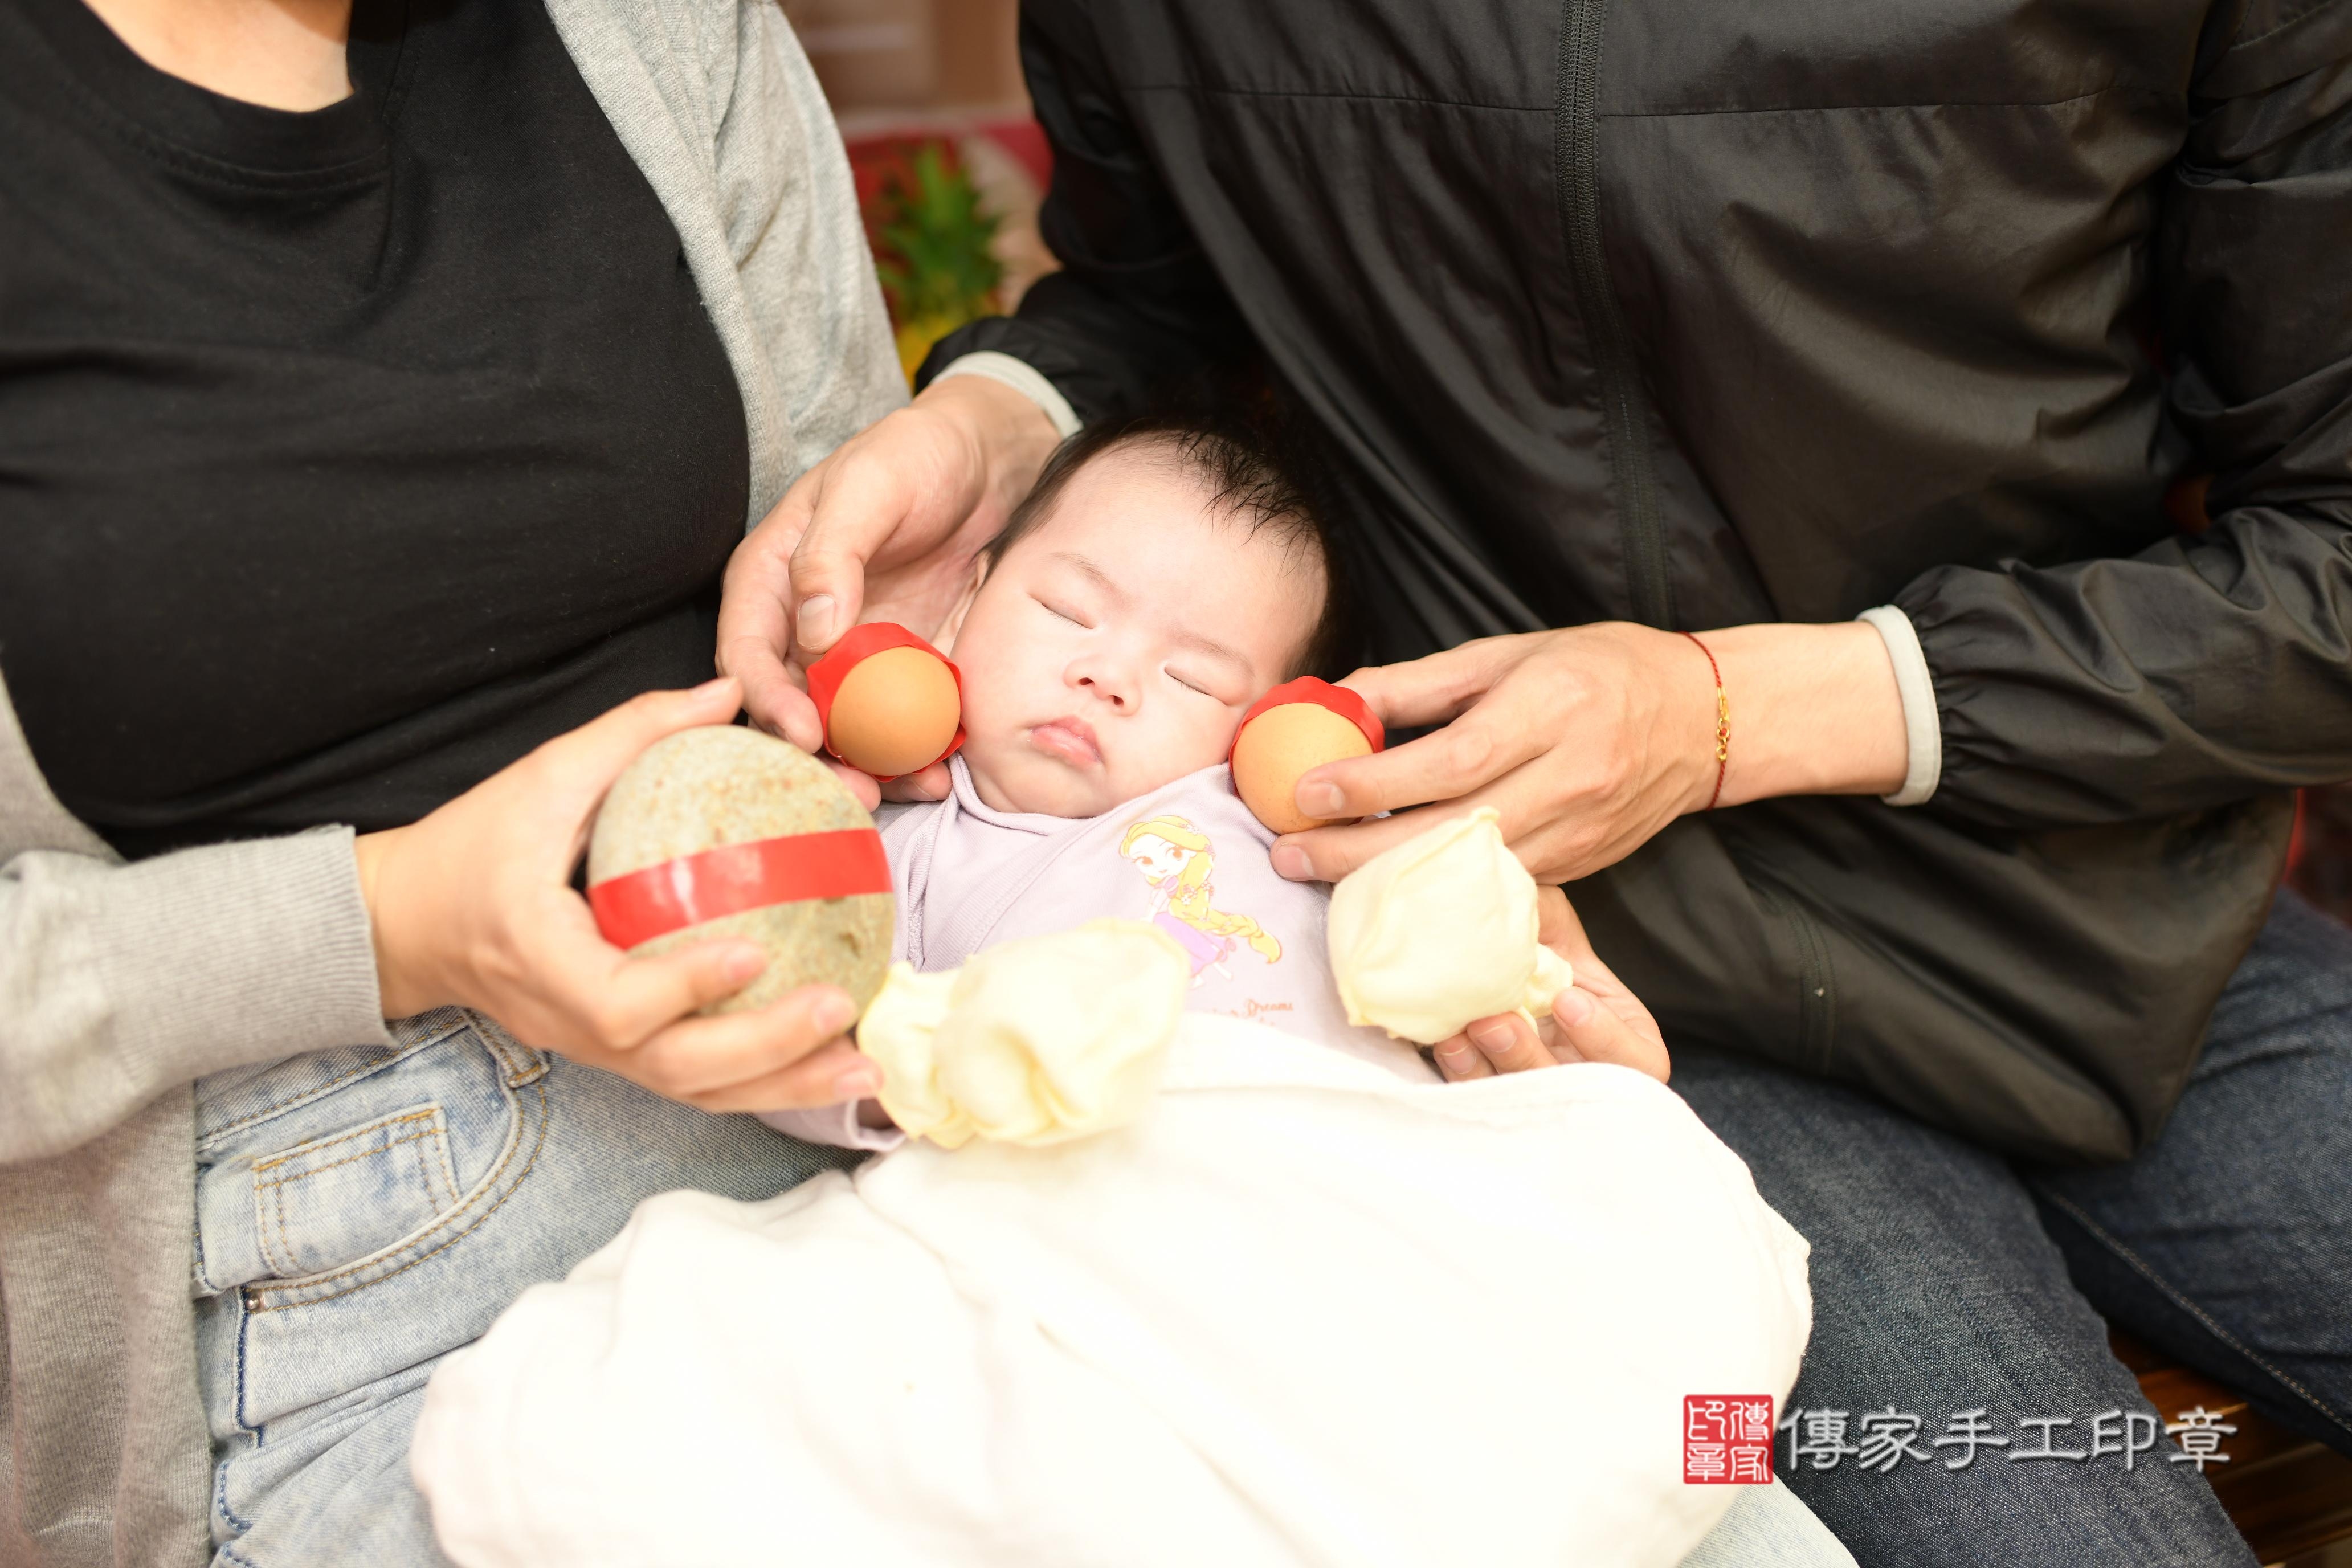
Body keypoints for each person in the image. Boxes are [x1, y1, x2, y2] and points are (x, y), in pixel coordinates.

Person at [721, 4, 2352, 1563]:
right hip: (1621, 1000)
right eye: (1066, 615)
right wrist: (1002, 421)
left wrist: (1725, 711)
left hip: (2125, 907)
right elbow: (1162, 301)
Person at [0, 0, 945, 1561]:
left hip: (837, 1091)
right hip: (308, 1287)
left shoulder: (668, 35)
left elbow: (859, 610)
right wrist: (390, 921)